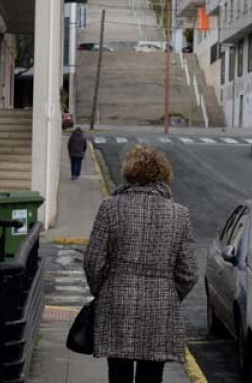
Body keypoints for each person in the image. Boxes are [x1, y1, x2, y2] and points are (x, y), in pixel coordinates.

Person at [83, 146, 198, 383]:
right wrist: (168, 292)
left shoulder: (110, 207)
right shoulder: (180, 214)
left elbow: (93, 261)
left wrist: (103, 290)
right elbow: (189, 272)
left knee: (118, 374)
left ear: (130, 173)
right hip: (160, 307)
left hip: (117, 303)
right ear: (164, 175)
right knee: (151, 376)